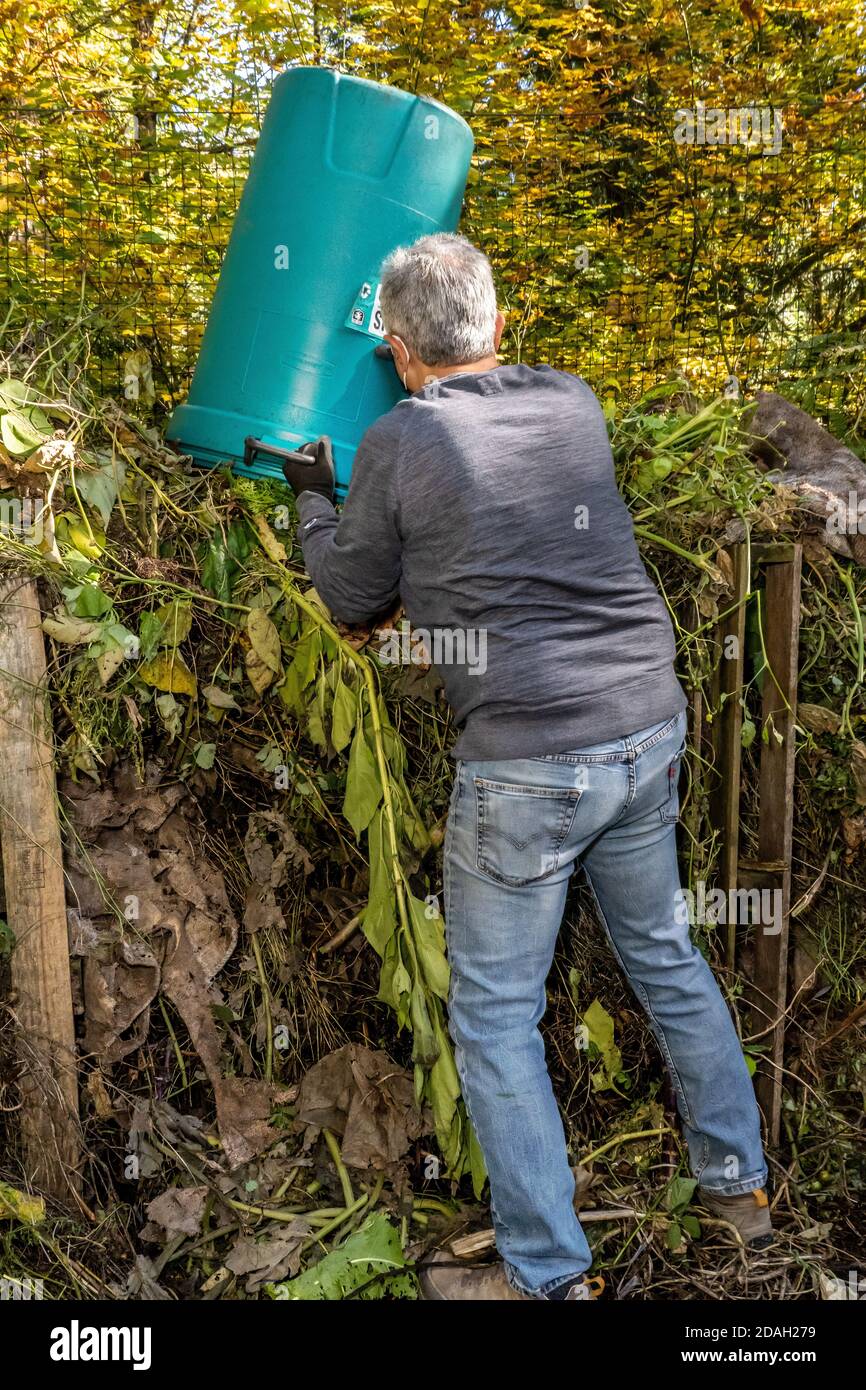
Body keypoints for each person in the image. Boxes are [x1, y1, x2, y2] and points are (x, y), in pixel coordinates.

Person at [280, 232, 773, 1302]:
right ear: (502, 327)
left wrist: (313, 496)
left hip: (527, 761)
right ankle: (738, 1189)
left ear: (397, 350)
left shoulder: (403, 437)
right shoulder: (571, 401)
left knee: (497, 1016)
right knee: (665, 955)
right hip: (647, 723)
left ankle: (547, 1275)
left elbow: (352, 594)